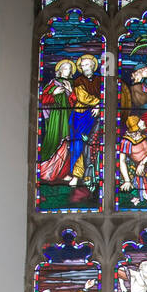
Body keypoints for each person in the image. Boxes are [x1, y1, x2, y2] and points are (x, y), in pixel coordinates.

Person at [66, 54, 102, 195]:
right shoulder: (78, 81)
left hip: (94, 116)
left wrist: (101, 105)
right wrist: (99, 103)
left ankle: (89, 176)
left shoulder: (100, 79)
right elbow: (83, 97)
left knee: (92, 146)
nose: (85, 67)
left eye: (88, 64)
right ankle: (76, 176)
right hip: (81, 116)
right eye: (83, 65)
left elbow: (106, 94)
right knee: (79, 145)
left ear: (93, 66)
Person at [39, 59, 75, 183]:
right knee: (54, 140)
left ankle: (63, 173)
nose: (68, 71)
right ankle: (47, 171)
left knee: (66, 143)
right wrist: (53, 93)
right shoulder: (52, 84)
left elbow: (75, 103)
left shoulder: (70, 84)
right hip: (55, 117)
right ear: (59, 71)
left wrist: (70, 92)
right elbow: (42, 99)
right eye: (65, 69)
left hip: (67, 117)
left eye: (70, 69)